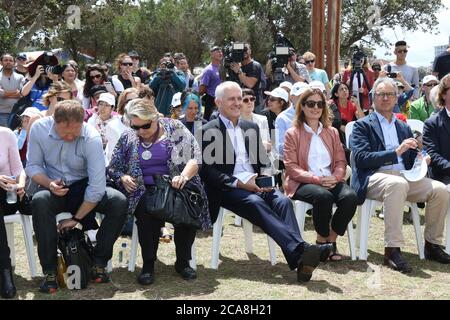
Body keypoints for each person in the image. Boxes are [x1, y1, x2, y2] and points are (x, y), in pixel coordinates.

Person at [200, 81, 332, 282]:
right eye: (232, 99)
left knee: (282, 202)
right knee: (255, 202)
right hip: (227, 188)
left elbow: (261, 162)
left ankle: (300, 259)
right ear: (218, 103)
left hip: (256, 183)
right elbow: (208, 173)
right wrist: (240, 184)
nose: (238, 103)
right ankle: (302, 250)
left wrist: (265, 180)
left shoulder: (250, 127)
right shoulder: (208, 130)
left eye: (240, 99)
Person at [26, 100, 127, 293]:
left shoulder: (91, 137)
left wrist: (76, 219)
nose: (71, 136)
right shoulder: (39, 129)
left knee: (118, 201)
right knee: (40, 201)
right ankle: (49, 271)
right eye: (65, 132)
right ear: (54, 122)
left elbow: (97, 188)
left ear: (83, 123)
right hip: (54, 185)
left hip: (84, 186)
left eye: (75, 131)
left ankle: (98, 262)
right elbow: (33, 166)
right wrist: (49, 183)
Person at [350, 77, 450, 273]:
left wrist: (422, 159)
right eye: (381, 94)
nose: (386, 98)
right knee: (397, 184)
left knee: (439, 189)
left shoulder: (402, 126)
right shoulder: (363, 125)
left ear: (397, 99)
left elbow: (411, 158)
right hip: (375, 176)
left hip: (404, 177)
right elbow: (361, 158)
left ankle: (432, 245)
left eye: (390, 94)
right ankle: (392, 250)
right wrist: (395, 152)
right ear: (373, 98)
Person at [108, 98, 211, 284]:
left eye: (145, 126)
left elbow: (195, 157)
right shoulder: (128, 137)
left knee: (185, 210)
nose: (140, 131)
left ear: (155, 117)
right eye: (135, 127)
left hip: (176, 186)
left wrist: (184, 176)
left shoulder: (175, 127)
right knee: (148, 212)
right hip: (143, 189)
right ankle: (148, 264)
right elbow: (113, 167)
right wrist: (122, 177)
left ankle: (183, 262)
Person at [284, 87, 357, 261]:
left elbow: (340, 161)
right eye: (310, 103)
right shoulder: (292, 133)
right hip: (302, 182)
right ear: (302, 106)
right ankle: (321, 240)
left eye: (320, 103)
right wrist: (318, 180)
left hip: (330, 180)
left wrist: (336, 177)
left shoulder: (331, 132)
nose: (315, 107)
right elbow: (291, 167)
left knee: (351, 197)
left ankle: (330, 240)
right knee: (323, 197)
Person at [0, 127, 31, 298]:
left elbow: (19, 170)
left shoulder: (5, 134)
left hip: (8, 196)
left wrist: (20, 185)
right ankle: (5, 269)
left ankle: (5, 271)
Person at [199, 46, 223, 121]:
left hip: (222, 100)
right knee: (209, 121)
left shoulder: (223, 68)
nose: (220, 53)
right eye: (217, 51)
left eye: (221, 51)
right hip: (211, 101)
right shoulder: (208, 70)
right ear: (212, 54)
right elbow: (202, 89)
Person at [0, 53, 24, 127]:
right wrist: (15, 92)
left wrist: (5, 93)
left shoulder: (20, 77)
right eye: (5, 60)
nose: (8, 62)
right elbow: (1, 94)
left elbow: (21, 94)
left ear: (14, 63)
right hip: (2, 113)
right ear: (1, 62)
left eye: (11, 60)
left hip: (17, 113)